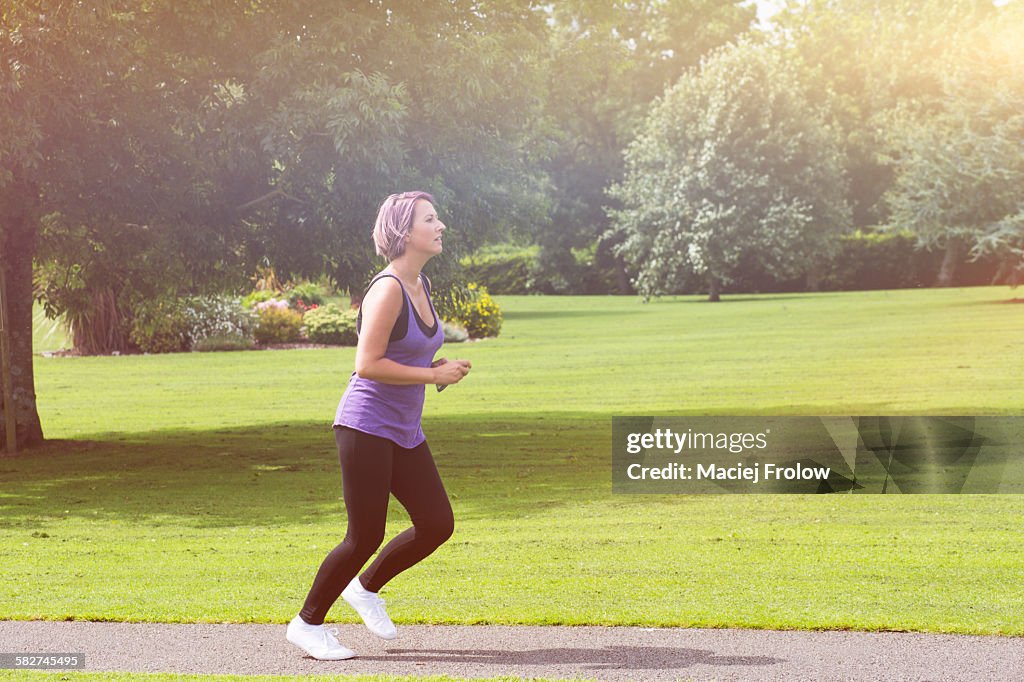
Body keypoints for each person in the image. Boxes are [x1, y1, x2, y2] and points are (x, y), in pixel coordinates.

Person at [286, 191, 472, 660]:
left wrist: (439, 367)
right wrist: (432, 375)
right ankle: (307, 625)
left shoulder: (420, 286)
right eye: (431, 219)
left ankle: (364, 588)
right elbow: (367, 364)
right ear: (405, 232)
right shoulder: (387, 288)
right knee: (364, 535)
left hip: (404, 428)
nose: (441, 225)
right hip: (366, 425)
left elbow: (405, 352)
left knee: (436, 523)